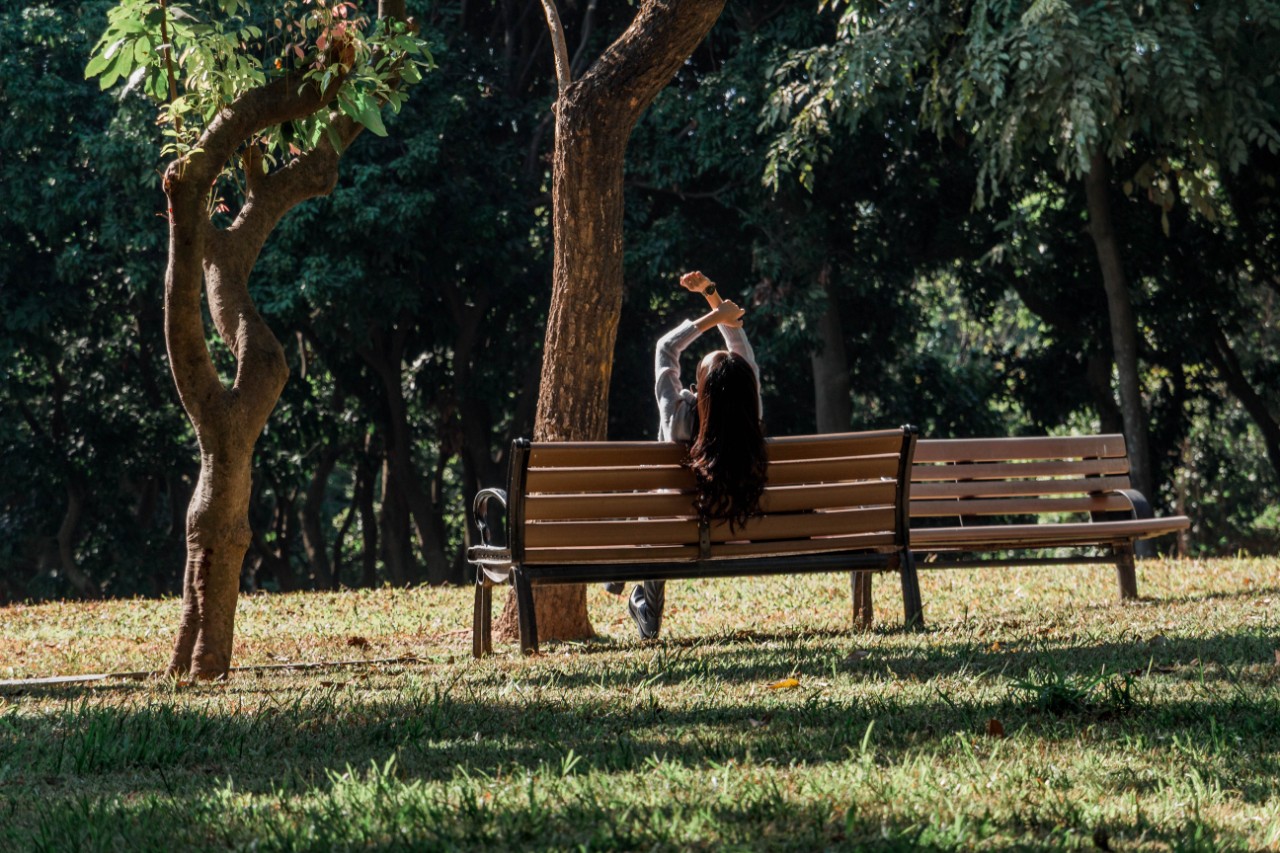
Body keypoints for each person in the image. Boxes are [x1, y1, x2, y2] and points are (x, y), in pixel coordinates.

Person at [622, 271, 768, 639]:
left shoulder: (678, 421)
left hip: (676, 532)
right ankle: (634, 589)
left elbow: (666, 350)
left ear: (700, 388)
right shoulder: (753, 414)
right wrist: (712, 296)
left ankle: (645, 602)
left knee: (656, 508)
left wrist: (714, 315)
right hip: (739, 528)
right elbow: (742, 357)